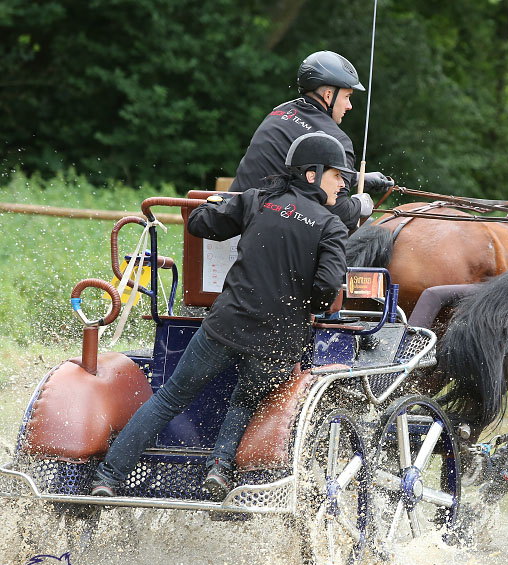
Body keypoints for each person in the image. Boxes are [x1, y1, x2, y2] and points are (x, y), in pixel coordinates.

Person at [92, 132, 352, 500]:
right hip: (277, 342)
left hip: (226, 325)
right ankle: (220, 468)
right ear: (312, 174)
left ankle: (107, 478)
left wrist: (217, 202)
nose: (343, 183)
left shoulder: (260, 200)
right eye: (336, 174)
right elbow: (326, 291)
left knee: (168, 399)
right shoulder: (331, 227)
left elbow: (200, 224)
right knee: (244, 401)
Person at [230, 50, 394, 230]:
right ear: (328, 96)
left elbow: (297, 173)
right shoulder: (336, 140)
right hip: (275, 229)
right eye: (347, 97)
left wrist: (355, 177)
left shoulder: (279, 113)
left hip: (233, 215)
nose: (349, 106)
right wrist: (360, 204)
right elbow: (341, 214)